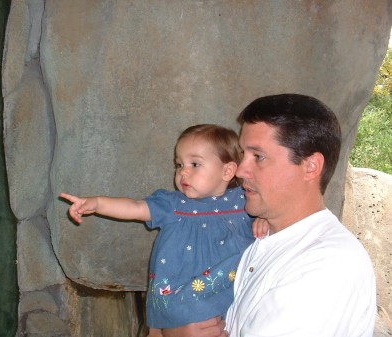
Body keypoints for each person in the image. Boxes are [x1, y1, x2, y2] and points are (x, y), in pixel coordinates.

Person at [162, 94, 377, 337]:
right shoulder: (264, 234)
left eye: (259, 157)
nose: (241, 170)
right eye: (243, 155)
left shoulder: (329, 265)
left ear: (311, 167)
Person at [60, 124, 268, 334]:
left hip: (232, 294)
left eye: (195, 164)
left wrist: (263, 220)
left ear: (228, 171)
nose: (183, 172)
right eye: (179, 164)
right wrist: (97, 203)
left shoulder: (245, 201)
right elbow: (135, 207)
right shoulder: (172, 204)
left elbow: (278, 217)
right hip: (181, 297)